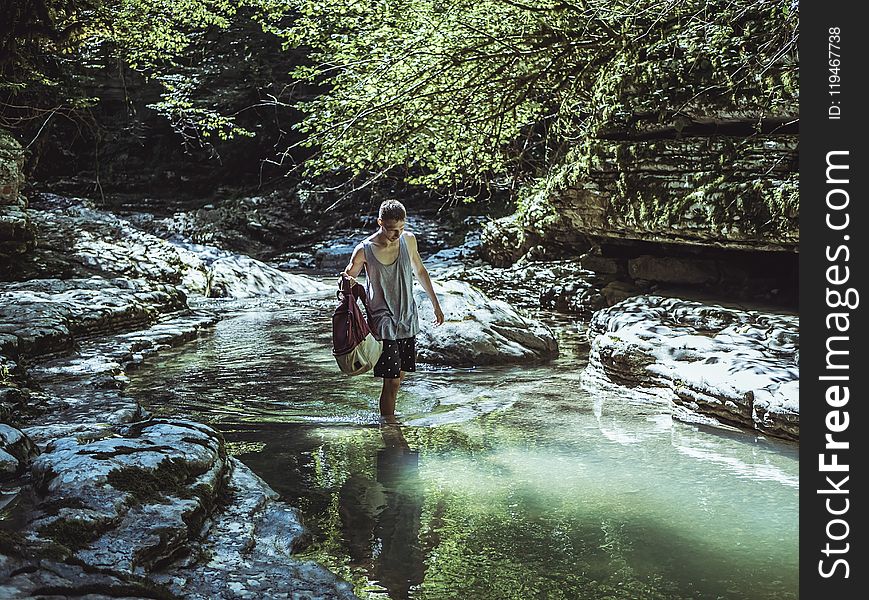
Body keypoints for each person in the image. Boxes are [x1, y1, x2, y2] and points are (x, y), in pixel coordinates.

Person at [341, 199, 444, 421]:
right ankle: (389, 429)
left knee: (400, 377)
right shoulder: (364, 250)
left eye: (401, 228)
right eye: (391, 230)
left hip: (407, 318)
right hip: (382, 322)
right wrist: (346, 286)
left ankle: (389, 419)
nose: (396, 234)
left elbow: (421, 271)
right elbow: (347, 281)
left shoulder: (409, 241)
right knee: (393, 379)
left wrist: (435, 303)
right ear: (379, 222)